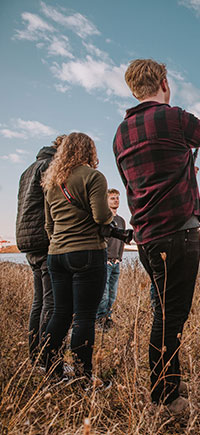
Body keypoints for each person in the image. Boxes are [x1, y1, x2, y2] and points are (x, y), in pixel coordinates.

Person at [114, 58, 200, 414]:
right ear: (164, 82)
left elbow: (136, 184)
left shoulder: (121, 133)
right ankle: (166, 399)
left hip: (147, 236)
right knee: (170, 316)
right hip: (178, 232)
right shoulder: (174, 117)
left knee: (165, 310)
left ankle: (169, 381)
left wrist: (181, 165)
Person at [41, 132, 113, 385]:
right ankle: (84, 378)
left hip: (56, 255)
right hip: (86, 252)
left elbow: (49, 226)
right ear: (89, 152)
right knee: (84, 317)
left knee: (60, 314)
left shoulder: (52, 183)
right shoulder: (93, 177)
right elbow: (102, 217)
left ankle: (51, 371)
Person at [16, 134, 66, 362]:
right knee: (51, 301)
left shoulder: (28, 169)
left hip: (27, 240)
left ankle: (34, 354)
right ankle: (48, 358)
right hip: (43, 239)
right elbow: (52, 204)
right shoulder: (49, 167)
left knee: (39, 300)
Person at [96, 188, 126, 330]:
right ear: (106, 201)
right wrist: (105, 258)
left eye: (117, 198)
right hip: (105, 262)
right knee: (103, 293)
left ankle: (108, 318)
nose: (116, 200)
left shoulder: (121, 220)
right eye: (112, 198)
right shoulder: (104, 219)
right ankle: (99, 320)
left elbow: (121, 242)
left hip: (116, 262)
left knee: (112, 294)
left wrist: (119, 258)